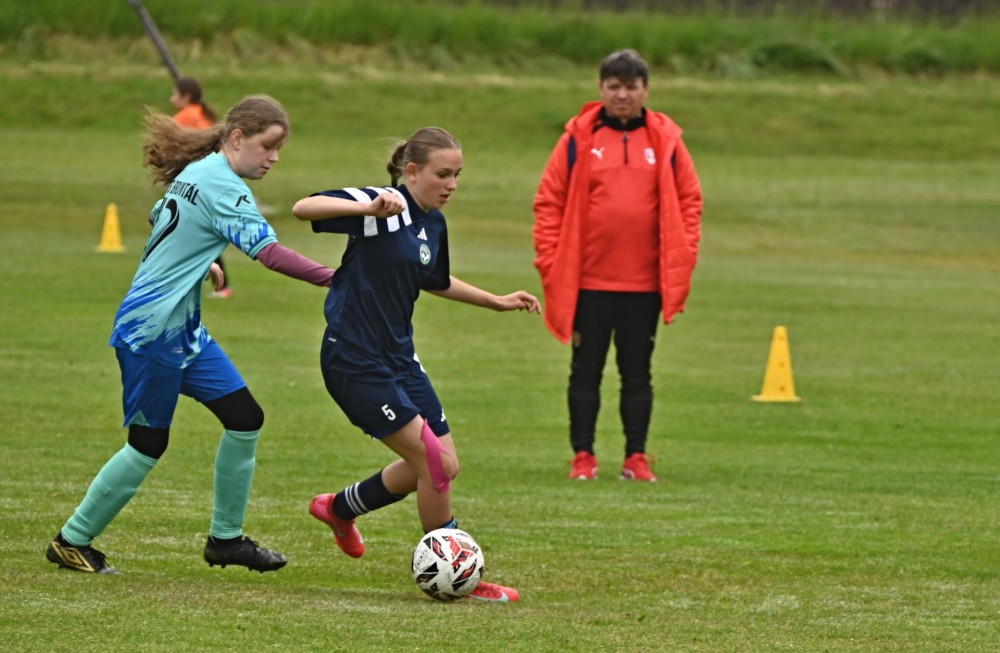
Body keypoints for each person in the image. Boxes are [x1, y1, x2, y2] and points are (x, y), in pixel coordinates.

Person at [46, 95, 336, 574]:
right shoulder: (224, 185)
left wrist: (204, 262)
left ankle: (226, 540)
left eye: (279, 149)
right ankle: (71, 540)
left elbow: (161, 218)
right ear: (237, 138)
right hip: (152, 332)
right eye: (267, 146)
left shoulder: (200, 171)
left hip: (182, 331)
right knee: (147, 444)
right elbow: (270, 254)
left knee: (245, 418)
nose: (274, 158)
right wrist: (336, 278)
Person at [291, 127, 541, 602]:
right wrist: (367, 208)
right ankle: (458, 575)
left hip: (401, 360)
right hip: (354, 361)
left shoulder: (433, 223)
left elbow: (434, 279)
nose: (452, 184)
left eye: (457, 175)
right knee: (436, 466)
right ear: (411, 171)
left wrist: (496, 300)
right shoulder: (382, 207)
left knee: (443, 465)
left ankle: (339, 508)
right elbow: (304, 208)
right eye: (443, 174)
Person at [533, 48, 703, 483]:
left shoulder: (665, 141)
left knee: (638, 373)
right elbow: (549, 201)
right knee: (585, 371)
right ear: (601, 89)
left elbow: (690, 200)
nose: (622, 95)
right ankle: (583, 457)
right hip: (588, 282)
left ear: (646, 90)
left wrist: (685, 252)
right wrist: (550, 260)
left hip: (644, 284)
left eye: (631, 87)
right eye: (614, 86)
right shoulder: (577, 139)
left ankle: (636, 458)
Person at [169, 76, 233, 298]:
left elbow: (171, 142)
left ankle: (219, 284)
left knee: (194, 231)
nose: (171, 99)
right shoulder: (204, 114)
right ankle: (220, 285)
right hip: (212, 180)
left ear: (186, 97)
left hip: (196, 184)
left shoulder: (186, 116)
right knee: (200, 231)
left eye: (175, 94)